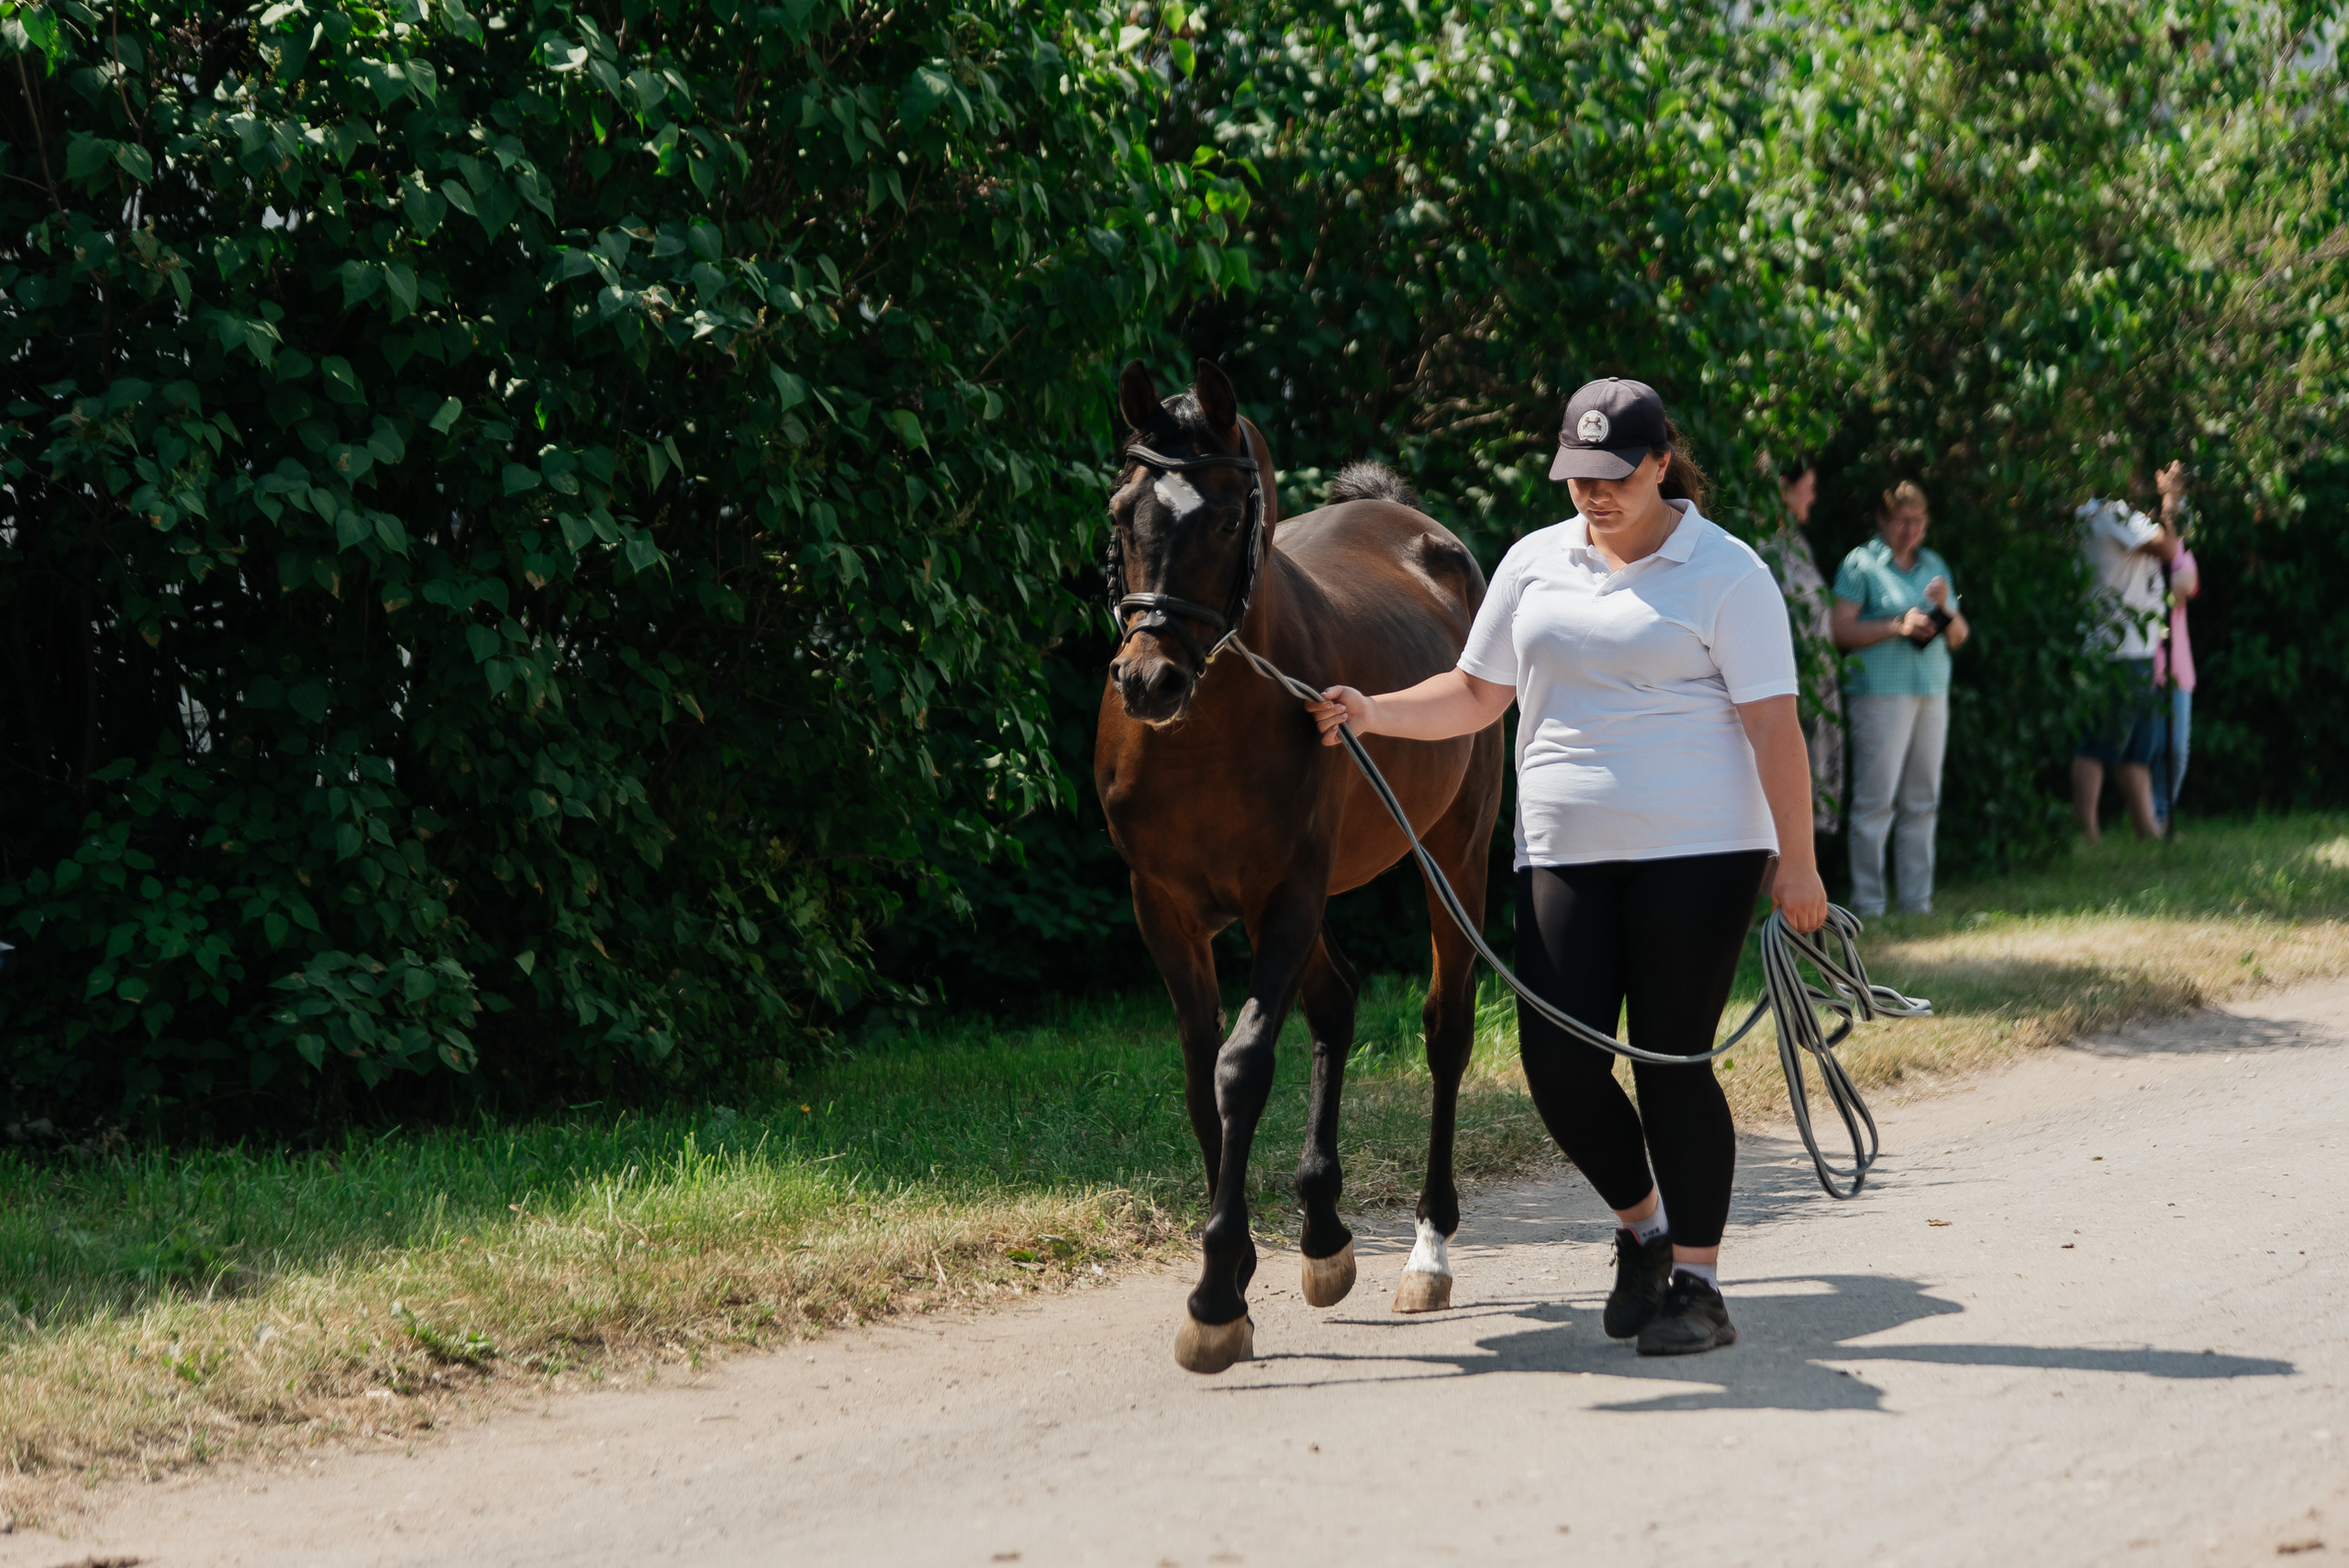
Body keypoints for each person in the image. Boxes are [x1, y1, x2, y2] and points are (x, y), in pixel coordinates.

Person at [1307, 378, 1826, 1359]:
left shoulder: (1727, 572)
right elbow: (1472, 691)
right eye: (1576, 476)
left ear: (1660, 462)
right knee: (1557, 1068)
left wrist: (1796, 862)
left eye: (1613, 475)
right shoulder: (1533, 562)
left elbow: (1772, 723)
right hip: (1562, 849)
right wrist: (1372, 709)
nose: (1593, 494)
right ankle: (1643, 1230)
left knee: (1672, 1060)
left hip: (1700, 849)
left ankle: (1700, 1285)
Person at [1831, 481, 1969, 917]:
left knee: (1923, 798)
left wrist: (1947, 609)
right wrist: (1897, 625)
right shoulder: (1860, 564)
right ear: (1883, 520)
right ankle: (1869, 903)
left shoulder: (1934, 565)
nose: (1911, 529)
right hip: (1878, 695)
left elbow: (1960, 637)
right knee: (1875, 801)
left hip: (1931, 691)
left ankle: (1916, 901)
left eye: (1919, 520)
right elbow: (1839, 631)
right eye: (1902, 520)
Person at [2074, 465, 2183, 842]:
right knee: (2098, 743)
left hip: (2136, 647)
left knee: (2136, 748)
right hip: (2115, 649)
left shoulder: (2106, 514)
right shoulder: (2109, 512)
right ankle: (2087, 832)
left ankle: (2147, 831)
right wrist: (2171, 500)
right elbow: (2169, 548)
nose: (2141, 481)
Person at [1757, 459, 1844, 841]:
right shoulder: (1758, 545)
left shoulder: (1795, 541)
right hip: (1784, 688)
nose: (1813, 495)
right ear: (1781, 489)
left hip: (1816, 688)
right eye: (1807, 485)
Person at [2151, 464, 2199, 828]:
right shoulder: (2135, 545)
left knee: (2177, 750)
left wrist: (2174, 498)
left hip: (2176, 663)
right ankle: (2148, 818)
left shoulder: (2178, 547)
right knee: (2147, 748)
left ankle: (2162, 815)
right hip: (2142, 661)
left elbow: (2185, 583)